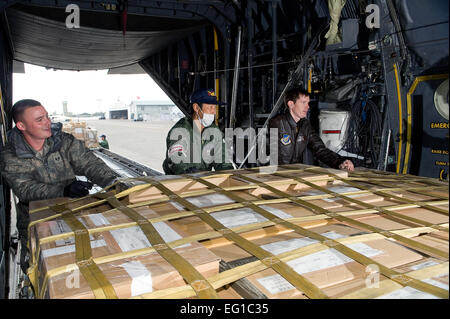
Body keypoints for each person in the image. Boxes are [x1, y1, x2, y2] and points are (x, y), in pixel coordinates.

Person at [0, 99, 119, 273]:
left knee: (84, 260)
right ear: (21, 126)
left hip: (71, 213)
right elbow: (24, 189)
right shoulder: (11, 154)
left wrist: (113, 182)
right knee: (40, 269)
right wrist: (63, 190)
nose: (47, 122)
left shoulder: (62, 141)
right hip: (37, 220)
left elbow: (89, 163)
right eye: (39, 120)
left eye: (47, 117)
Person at [269, 87, 354, 171]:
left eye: (308, 103)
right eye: (303, 103)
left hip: (294, 173)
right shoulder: (276, 123)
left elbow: (320, 150)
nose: (308, 107)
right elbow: (266, 156)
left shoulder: (305, 125)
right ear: (291, 104)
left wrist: (340, 162)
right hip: (276, 175)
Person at [163, 89, 234, 174]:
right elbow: (176, 158)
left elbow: (222, 160)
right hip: (180, 180)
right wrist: (187, 171)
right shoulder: (180, 130)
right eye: (210, 107)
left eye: (214, 107)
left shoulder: (214, 132)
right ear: (196, 108)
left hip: (202, 180)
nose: (214, 111)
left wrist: (229, 174)